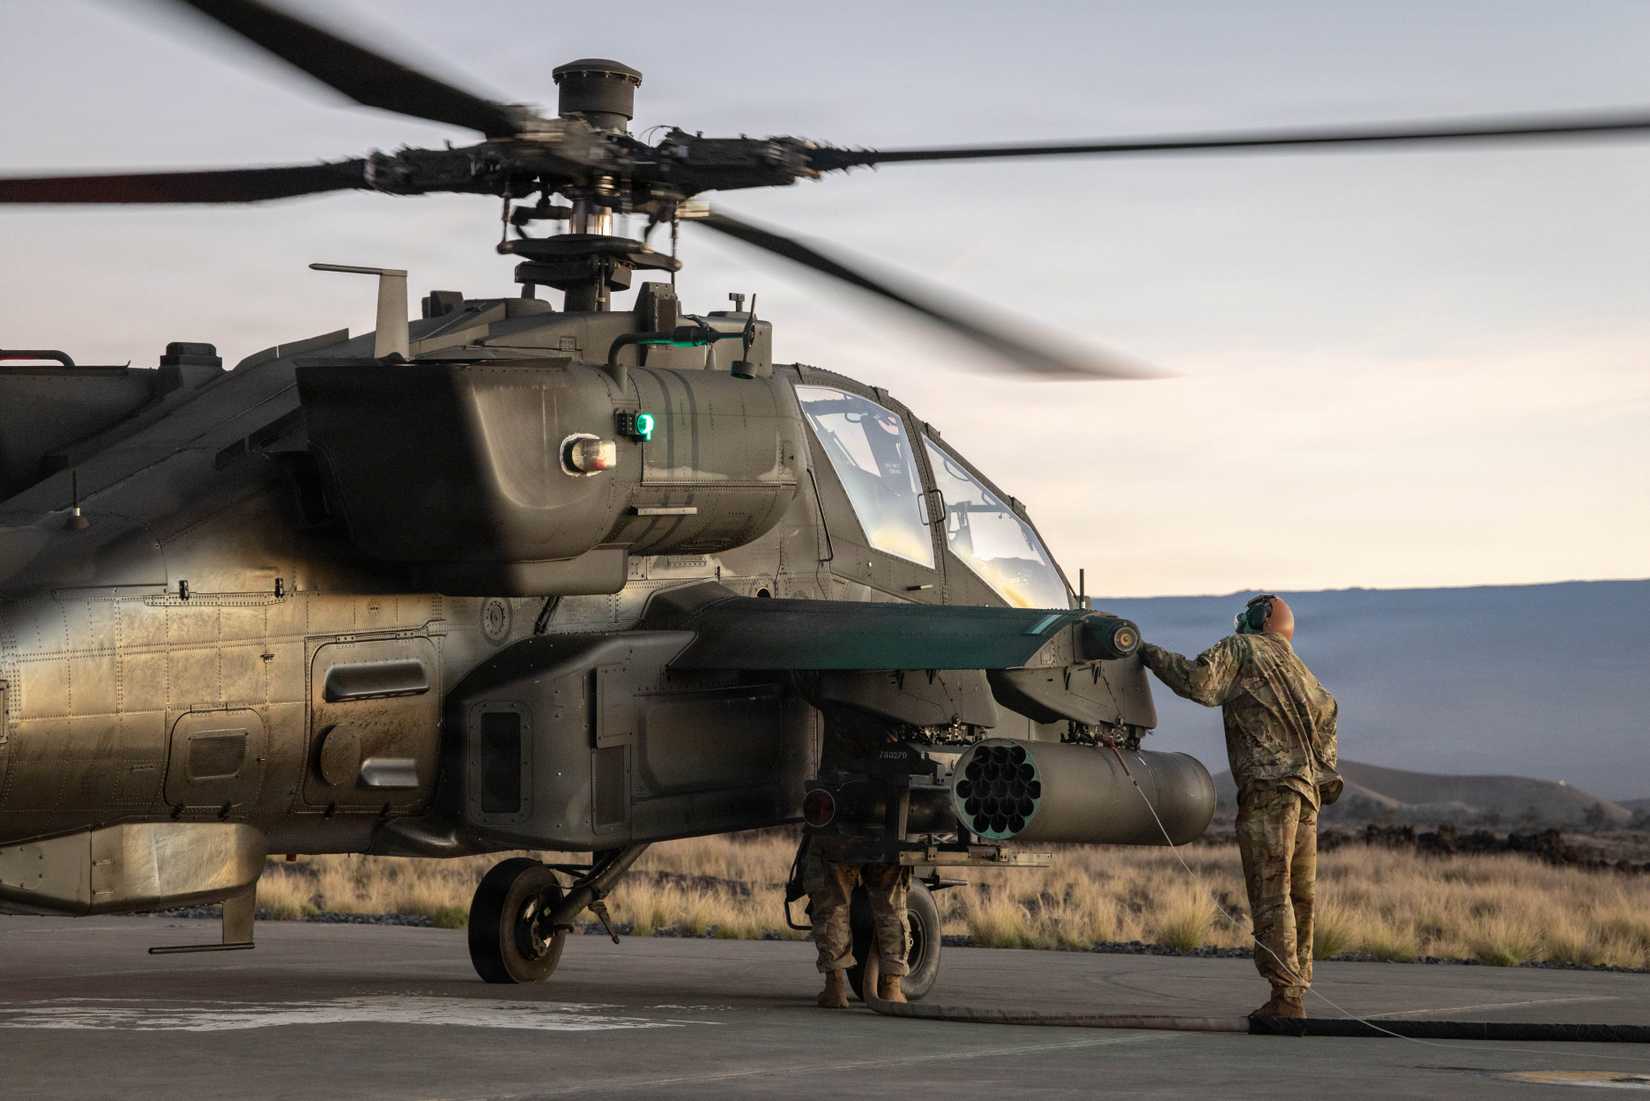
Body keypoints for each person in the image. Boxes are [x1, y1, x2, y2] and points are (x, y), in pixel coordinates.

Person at [1138, 594, 1340, 1020]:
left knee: (1272, 891)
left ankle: (1285, 997)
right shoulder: (1306, 676)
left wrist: (1146, 652)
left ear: (1261, 619)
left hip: (1269, 791)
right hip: (1306, 797)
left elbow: (1199, 682)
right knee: (1299, 896)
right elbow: (1329, 726)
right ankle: (1295, 989)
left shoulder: (1243, 650)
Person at [801, 849, 910, 1008]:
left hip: (839, 838)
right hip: (887, 835)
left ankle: (835, 987)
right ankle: (891, 987)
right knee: (890, 907)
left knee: (833, 906)